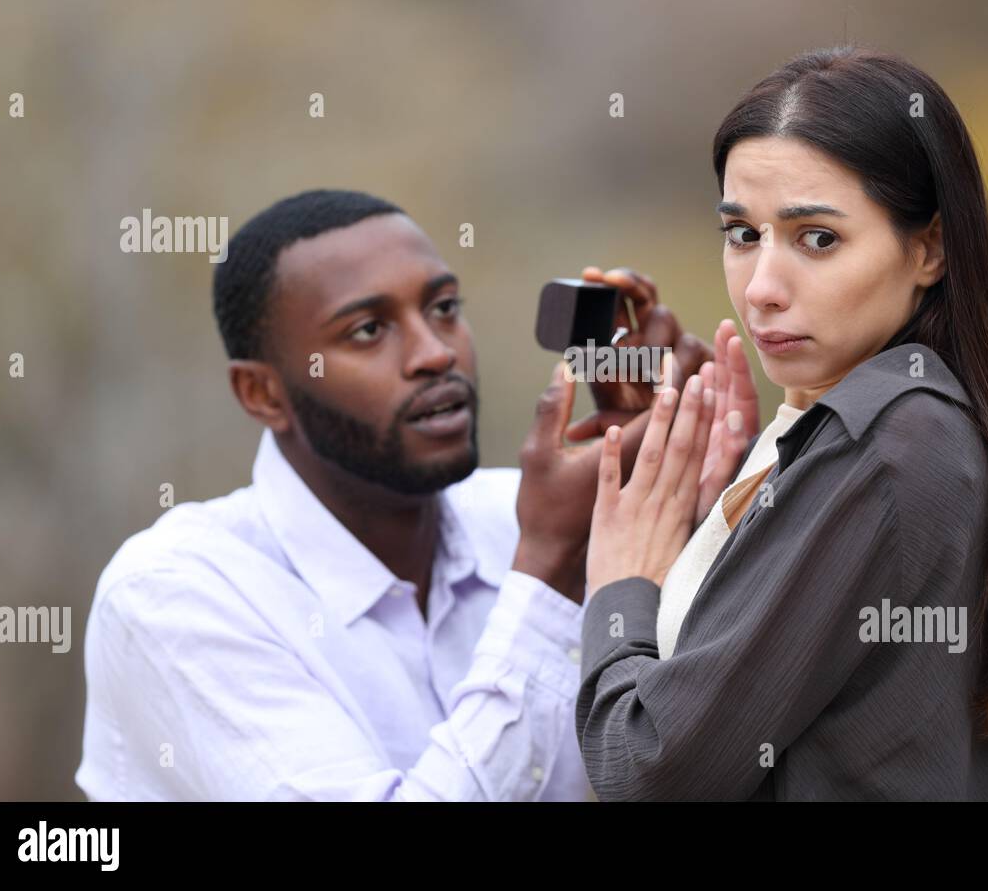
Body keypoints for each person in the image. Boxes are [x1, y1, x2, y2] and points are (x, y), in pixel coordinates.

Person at [74, 188, 740, 800]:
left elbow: (682, 759)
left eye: (443, 309)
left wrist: (686, 515)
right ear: (263, 392)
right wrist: (552, 574)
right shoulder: (175, 594)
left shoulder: (519, 519)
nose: (434, 353)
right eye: (367, 330)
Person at [576, 46, 988, 800]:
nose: (762, 288)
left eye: (819, 239)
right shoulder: (909, 424)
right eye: (743, 235)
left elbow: (646, 767)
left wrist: (621, 585)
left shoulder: (888, 448)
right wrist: (736, 507)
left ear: (929, 247)